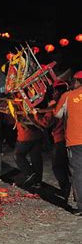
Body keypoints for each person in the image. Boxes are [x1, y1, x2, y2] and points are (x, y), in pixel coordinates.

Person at [33, 80, 71, 205]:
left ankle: (67, 191)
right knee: (73, 167)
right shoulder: (71, 99)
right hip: (74, 139)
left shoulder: (56, 103)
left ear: (55, 91)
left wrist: (35, 115)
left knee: (58, 167)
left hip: (61, 139)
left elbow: (46, 122)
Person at [54, 71, 82, 215]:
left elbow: (57, 114)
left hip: (75, 140)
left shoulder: (68, 96)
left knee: (77, 173)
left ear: (76, 82)